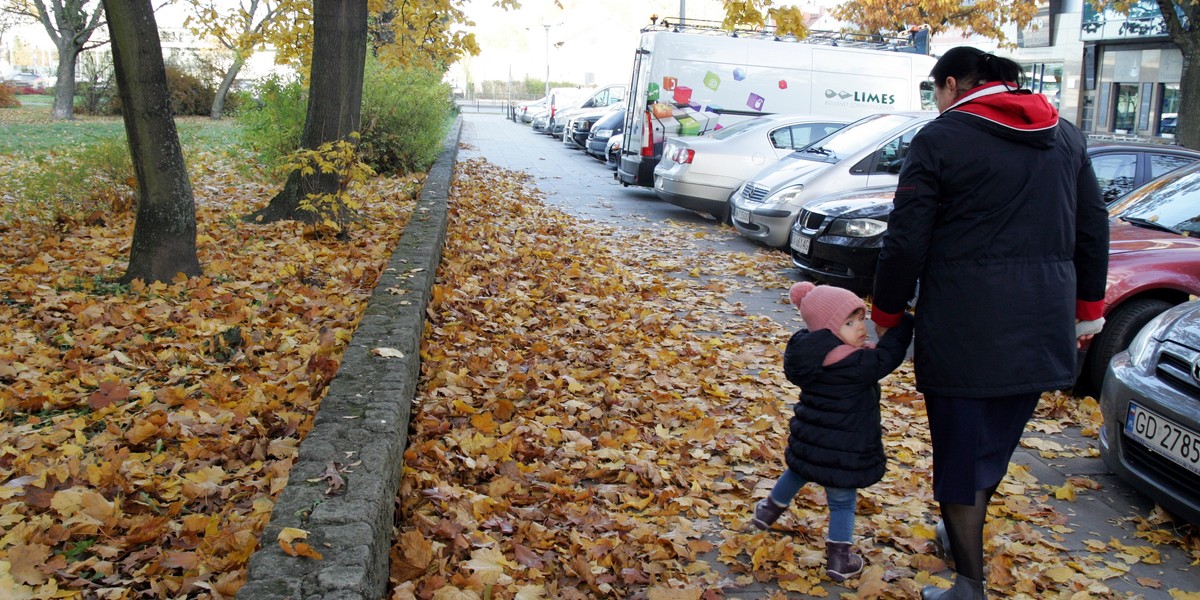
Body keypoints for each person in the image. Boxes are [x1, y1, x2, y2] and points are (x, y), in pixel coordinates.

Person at [869, 47, 1109, 600]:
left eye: (935, 91)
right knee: (991, 447)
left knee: (959, 455)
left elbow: (905, 241)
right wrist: (1087, 313)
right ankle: (961, 536)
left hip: (965, 325)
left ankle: (968, 584)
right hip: (1041, 320)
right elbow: (1093, 230)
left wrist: (885, 314)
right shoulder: (1067, 136)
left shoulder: (940, 138)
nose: (935, 102)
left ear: (952, 83)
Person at [753, 281, 914, 583]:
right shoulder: (856, 363)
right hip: (843, 449)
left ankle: (767, 511)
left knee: (798, 470)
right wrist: (903, 324)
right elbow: (887, 356)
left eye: (860, 318)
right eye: (849, 322)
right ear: (828, 329)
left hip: (810, 440)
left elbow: (867, 352)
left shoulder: (812, 355)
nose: (861, 327)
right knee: (842, 500)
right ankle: (840, 559)